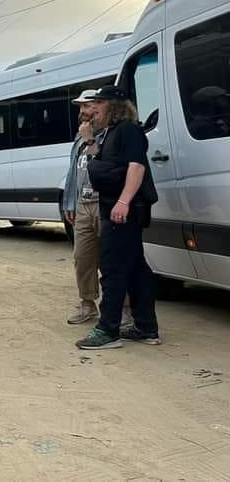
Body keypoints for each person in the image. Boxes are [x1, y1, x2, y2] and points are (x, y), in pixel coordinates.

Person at [76, 86, 160, 350]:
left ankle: (108, 330)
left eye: (98, 103)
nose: (93, 108)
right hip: (114, 206)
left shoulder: (129, 130)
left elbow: (136, 167)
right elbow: (98, 166)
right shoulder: (109, 133)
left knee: (112, 269)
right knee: (136, 270)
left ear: (114, 105)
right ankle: (146, 328)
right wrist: (90, 141)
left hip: (124, 209)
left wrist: (124, 201)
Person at [61, 90, 102, 325]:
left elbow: (104, 166)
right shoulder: (80, 137)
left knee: (109, 259)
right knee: (82, 258)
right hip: (83, 204)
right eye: (80, 108)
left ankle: (123, 308)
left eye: (85, 107)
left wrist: (90, 140)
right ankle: (87, 304)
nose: (82, 113)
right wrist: (70, 202)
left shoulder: (107, 134)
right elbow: (74, 173)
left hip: (103, 203)